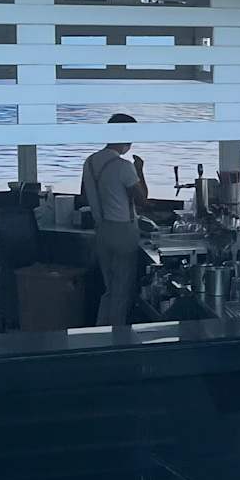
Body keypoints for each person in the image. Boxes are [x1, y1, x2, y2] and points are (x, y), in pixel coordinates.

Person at [81, 113, 149, 326]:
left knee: (109, 289)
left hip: (101, 229)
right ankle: (117, 336)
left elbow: (84, 196)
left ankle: (101, 331)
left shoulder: (90, 162)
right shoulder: (123, 166)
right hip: (123, 232)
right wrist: (140, 171)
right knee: (122, 291)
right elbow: (142, 199)